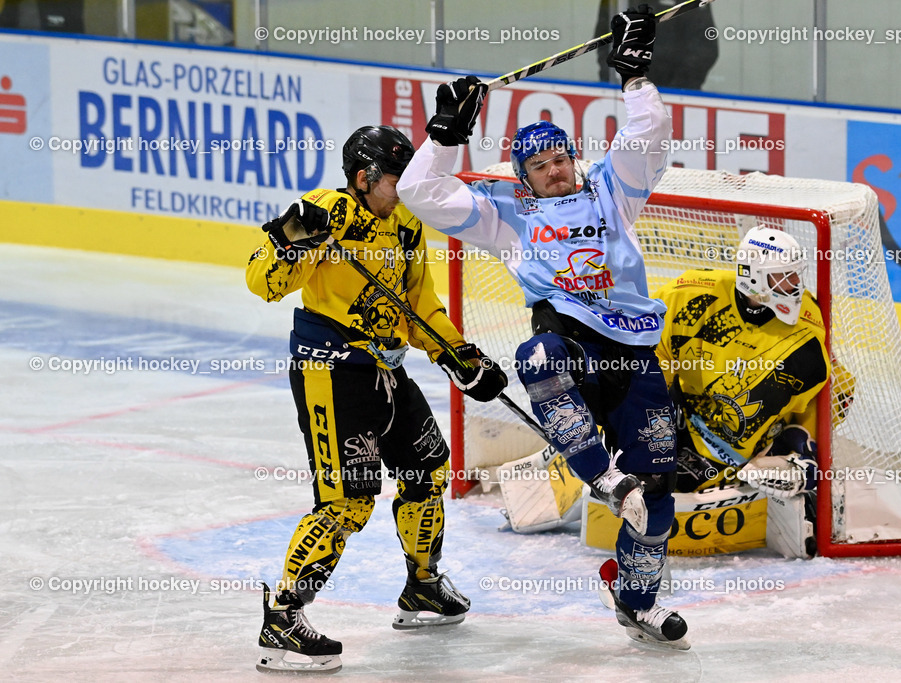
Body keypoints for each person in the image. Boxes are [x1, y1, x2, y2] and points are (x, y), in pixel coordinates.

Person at [399, 5, 689, 650]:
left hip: (634, 353)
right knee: (539, 355)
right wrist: (445, 134)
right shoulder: (506, 213)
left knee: (657, 501)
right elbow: (422, 192)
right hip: (572, 345)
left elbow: (648, 134)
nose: (554, 168)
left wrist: (635, 74)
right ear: (522, 176)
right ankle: (601, 477)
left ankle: (637, 600)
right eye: (540, 165)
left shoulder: (613, 190)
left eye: (561, 157)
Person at [245, 125, 507, 674]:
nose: (403, 189)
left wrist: (459, 355)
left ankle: (423, 585)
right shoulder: (327, 211)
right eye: (394, 180)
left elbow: (418, 305)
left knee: (427, 469)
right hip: (331, 371)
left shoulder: (406, 221)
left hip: (386, 369)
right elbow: (263, 283)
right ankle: (282, 617)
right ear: (364, 178)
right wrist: (291, 238)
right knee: (347, 502)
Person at [654, 226, 850, 502]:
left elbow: (838, 388)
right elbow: (649, 363)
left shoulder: (805, 334)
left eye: (796, 273)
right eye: (784, 275)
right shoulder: (688, 295)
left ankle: (790, 464)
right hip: (688, 409)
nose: (796, 283)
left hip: (746, 433)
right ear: (753, 276)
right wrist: (648, 425)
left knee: (682, 485)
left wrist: (804, 444)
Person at [595, 0, 718, 90]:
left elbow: (705, 50)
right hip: (630, 90)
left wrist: (678, 89)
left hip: (680, 92)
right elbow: (605, 41)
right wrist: (624, 81)